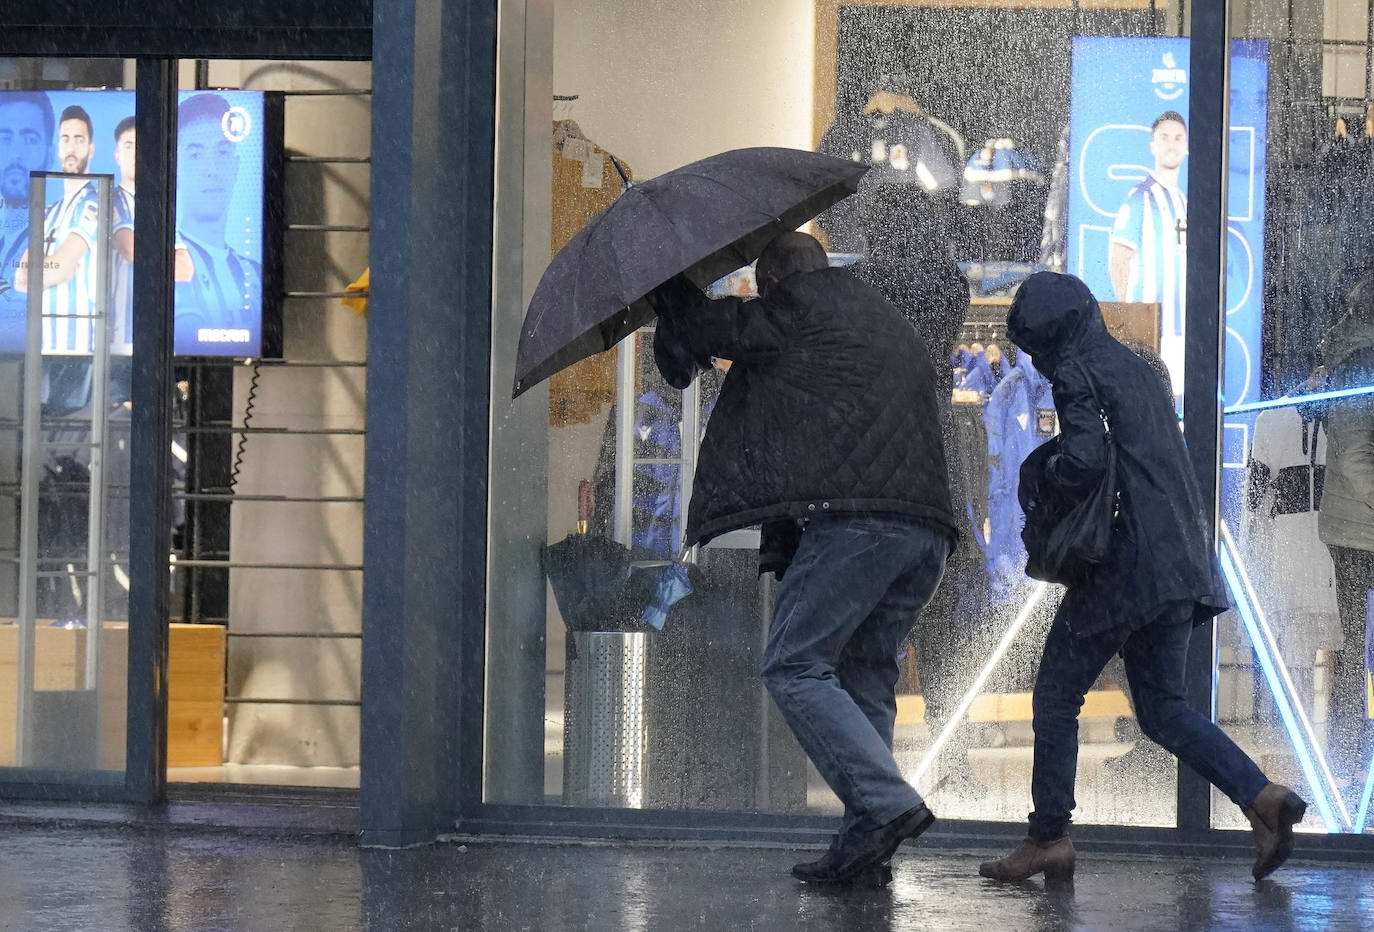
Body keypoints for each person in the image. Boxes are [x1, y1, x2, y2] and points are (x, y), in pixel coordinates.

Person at [978, 271, 1307, 884]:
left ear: (1047, 338)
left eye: (1035, 348)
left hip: (1124, 566)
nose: (1039, 364)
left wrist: (1039, 474)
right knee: (1162, 709)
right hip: (1178, 559)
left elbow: (1082, 463)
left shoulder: (1078, 371)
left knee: (1055, 695)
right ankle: (1262, 798)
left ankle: (1048, 836)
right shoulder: (1134, 368)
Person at [649, 232, 956, 885]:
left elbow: (711, 326)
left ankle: (886, 804)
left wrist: (668, 281)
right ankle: (865, 839)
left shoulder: (795, 309)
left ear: (772, 283)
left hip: (857, 523)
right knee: (864, 669)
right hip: (923, 529)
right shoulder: (877, 313)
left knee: (794, 664)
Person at [1316, 268, 1374, 799]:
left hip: (1357, 529)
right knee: (1359, 649)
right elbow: (1356, 455)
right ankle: (1354, 761)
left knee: (1360, 647)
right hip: (1361, 536)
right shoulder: (1361, 362)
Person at [1109, 111, 1188, 399]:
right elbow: (1118, 261)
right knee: (1147, 406)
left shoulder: (1184, 202)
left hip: (1181, 331)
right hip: (1149, 332)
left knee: (1176, 410)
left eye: (1178, 137)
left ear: (1187, 145)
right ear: (1153, 145)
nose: (1172, 144)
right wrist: (1132, 321)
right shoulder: (1140, 198)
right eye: (1164, 137)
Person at [174, 93, 262, 352]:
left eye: (222, 151)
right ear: (176, 168)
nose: (211, 169)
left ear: (236, 167)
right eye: (195, 155)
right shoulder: (162, 265)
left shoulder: (255, 276)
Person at [0, 91, 54, 347]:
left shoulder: (64, 227)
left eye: (30, 139)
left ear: (50, 152)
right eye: (4, 137)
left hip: (54, 364)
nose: (15, 154)